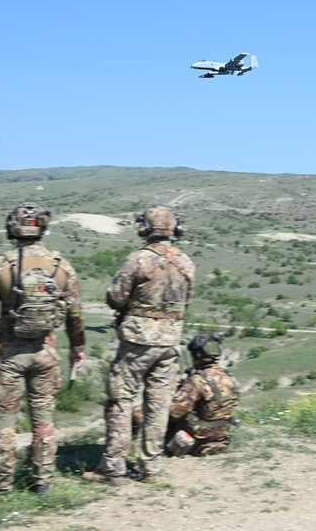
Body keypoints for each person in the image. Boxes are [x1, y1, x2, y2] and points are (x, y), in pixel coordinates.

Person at [0, 202, 85, 496]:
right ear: (43, 228)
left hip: (7, 354)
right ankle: (43, 481)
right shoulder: (62, 266)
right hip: (45, 353)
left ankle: (2, 486)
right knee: (44, 420)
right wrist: (77, 348)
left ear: (12, 228)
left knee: (5, 424)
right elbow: (75, 315)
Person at [83, 205, 195, 486]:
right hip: (170, 344)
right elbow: (187, 300)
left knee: (121, 402)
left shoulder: (138, 260)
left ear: (145, 229)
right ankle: (149, 469)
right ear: (175, 229)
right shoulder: (187, 263)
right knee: (158, 406)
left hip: (137, 343)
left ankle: (113, 468)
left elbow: (115, 297)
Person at [165, 332, 240, 456]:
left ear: (198, 355)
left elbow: (174, 412)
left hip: (201, 434)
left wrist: (177, 392)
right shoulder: (229, 376)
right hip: (222, 432)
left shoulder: (197, 380)